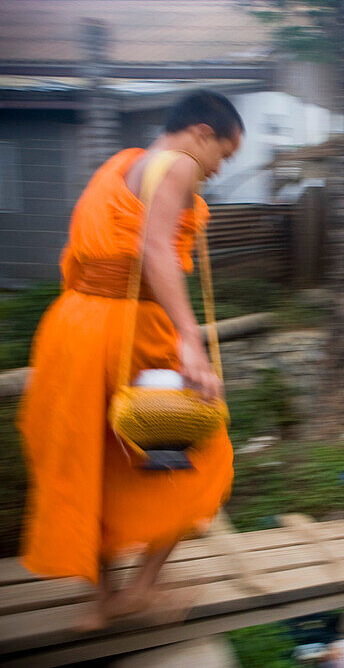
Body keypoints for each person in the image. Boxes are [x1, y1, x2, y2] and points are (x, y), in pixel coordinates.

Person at [17, 90, 241, 630]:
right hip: (129, 330)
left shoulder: (124, 165)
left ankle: (101, 601)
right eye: (225, 155)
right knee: (201, 456)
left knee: (93, 461)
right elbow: (154, 247)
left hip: (72, 327)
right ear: (203, 133)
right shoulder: (180, 163)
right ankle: (140, 588)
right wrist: (189, 337)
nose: (216, 169)